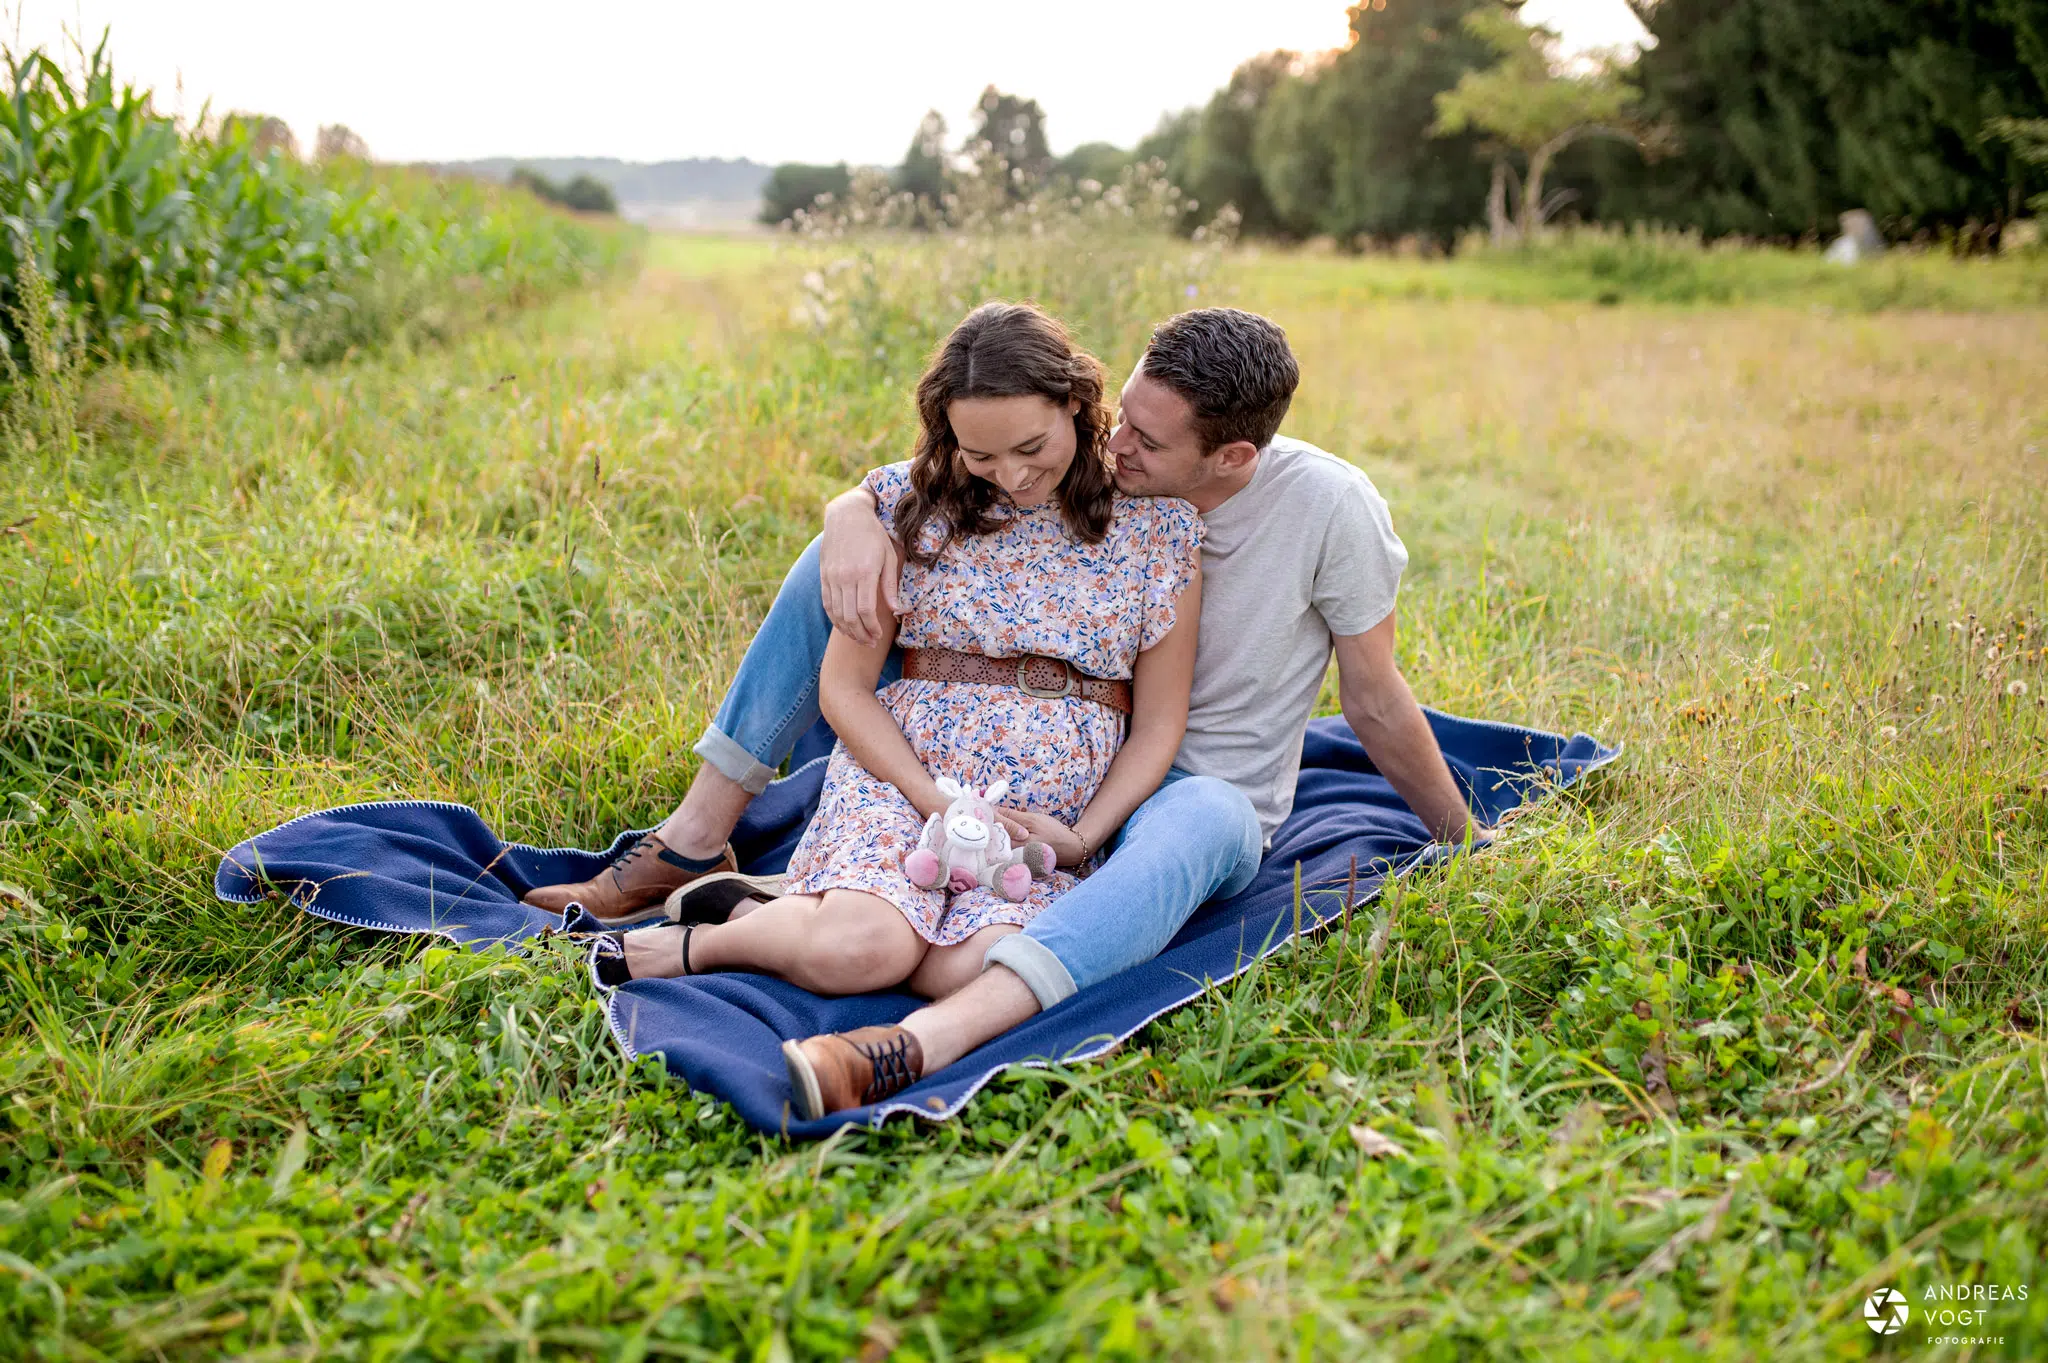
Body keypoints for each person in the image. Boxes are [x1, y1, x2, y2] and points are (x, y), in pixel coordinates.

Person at [526, 306, 1487, 1120]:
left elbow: (1372, 694)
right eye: (1121, 418)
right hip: (946, 734)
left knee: (1183, 828)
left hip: (1165, 793)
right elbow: (970, 451)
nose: (1118, 444)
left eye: (1144, 441)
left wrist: (1462, 842)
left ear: (1229, 454)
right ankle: (698, 838)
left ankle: (911, 1039)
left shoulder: (1311, 509)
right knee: (836, 563)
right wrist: (850, 510)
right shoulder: (1062, 466)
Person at [581, 301, 1205, 1024]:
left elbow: (1160, 724)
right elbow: (845, 687)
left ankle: (784, 905)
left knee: (978, 972)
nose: (1011, 475)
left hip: (1043, 814)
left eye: (1031, 446)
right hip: (905, 775)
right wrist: (929, 797)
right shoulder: (913, 506)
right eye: (981, 455)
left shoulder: (1158, 531)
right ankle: (700, 945)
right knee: (866, 950)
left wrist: (1083, 837)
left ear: (1074, 401)